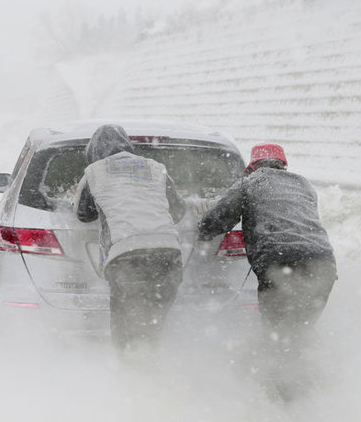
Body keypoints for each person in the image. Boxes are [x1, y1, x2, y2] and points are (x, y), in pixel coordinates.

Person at [198, 143, 336, 368]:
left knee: (278, 334)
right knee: (301, 329)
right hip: (322, 264)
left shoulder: (251, 182)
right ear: (283, 165)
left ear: (252, 167)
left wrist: (203, 227)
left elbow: (216, 221)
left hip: (280, 263)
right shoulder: (304, 184)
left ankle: (281, 382)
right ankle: (318, 376)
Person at [75, 124, 186, 352]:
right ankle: (151, 365)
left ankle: (130, 367)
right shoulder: (156, 168)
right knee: (153, 326)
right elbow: (178, 211)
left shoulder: (94, 172)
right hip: (169, 257)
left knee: (125, 328)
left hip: (127, 258)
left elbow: (83, 215)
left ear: (93, 151)